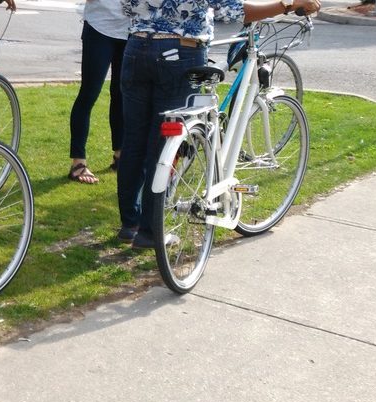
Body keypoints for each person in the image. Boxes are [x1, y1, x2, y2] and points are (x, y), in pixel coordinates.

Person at [117, 0, 320, 246]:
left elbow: (126, 6)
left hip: (136, 48)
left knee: (134, 142)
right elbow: (232, 10)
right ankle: (150, 232)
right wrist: (287, 5)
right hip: (180, 51)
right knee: (162, 146)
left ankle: (131, 223)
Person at [66, 0, 129, 185]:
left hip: (132, 30)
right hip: (100, 27)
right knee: (89, 94)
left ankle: (120, 154)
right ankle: (78, 162)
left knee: (122, 94)